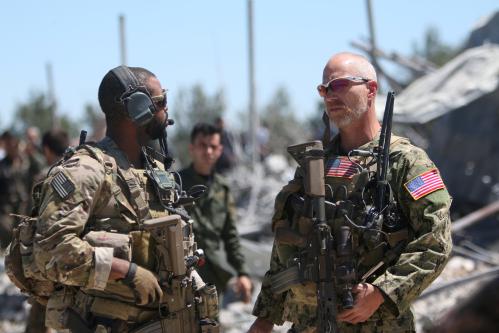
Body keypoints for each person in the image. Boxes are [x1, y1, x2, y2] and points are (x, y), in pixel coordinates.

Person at [248, 52, 452, 332]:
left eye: (340, 85)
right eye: (324, 88)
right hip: (311, 324)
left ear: (371, 90)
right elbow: (285, 245)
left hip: (377, 325)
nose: (330, 95)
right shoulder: (314, 163)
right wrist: (264, 320)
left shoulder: (406, 162)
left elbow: (435, 243)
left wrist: (381, 293)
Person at [28, 66, 218, 332]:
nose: (166, 109)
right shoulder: (86, 171)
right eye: (160, 101)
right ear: (139, 108)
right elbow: (50, 250)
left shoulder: (155, 170)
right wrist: (125, 271)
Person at [178, 123, 252, 304]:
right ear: (192, 148)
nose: (208, 152)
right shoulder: (176, 184)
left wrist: (243, 272)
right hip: (181, 274)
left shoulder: (223, 188)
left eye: (213, 147)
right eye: (203, 146)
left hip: (213, 276)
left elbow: (231, 235)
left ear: (220, 150)